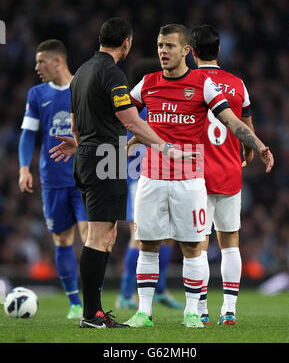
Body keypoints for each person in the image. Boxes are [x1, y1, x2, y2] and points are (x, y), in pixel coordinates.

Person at [49, 18, 196, 329]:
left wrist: (80, 144)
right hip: (107, 157)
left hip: (88, 156)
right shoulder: (111, 73)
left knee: (107, 235)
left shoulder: (80, 74)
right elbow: (131, 122)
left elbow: (76, 127)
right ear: (126, 43)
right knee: (99, 236)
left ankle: (94, 312)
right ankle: (92, 315)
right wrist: (167, 148)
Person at [124, 23, 273, 328]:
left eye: (169, 46)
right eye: (160, 46)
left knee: (193, 247)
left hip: (190, 179)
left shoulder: (202, 85)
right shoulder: (147, 83)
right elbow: (123, 113)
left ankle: (193, 312)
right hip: (152, 176)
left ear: (186, 51)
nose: (163, 51)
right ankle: (144, 313)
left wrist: (258, 145)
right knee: (147, 243)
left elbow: (231, 121)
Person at [190, 24, 256, 326]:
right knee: (230, 243)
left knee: (198, 245)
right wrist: (250, 149)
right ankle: (229, 310)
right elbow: (246, 129)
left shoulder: (188, 83)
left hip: (195, 174)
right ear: (219, 50)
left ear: (191, 52)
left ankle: (201, 309)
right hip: (230, 171)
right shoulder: (237, 84)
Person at [18, 39, 88, 319]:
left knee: (91, 237)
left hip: (83, 177)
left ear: (58, 61)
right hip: (53, 180)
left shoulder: (81, 89)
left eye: (41, 61)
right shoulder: (36, 94)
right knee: (61, 239)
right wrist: (25, 168)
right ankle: (74, 302)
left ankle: (92, 298)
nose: (37, 67)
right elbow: (27, 134)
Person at [116, 59, 184, 310]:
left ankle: (159, 290)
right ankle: (124, 294)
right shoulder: (142, 108)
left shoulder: (139, 106)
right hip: (142, 178)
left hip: (158, 176)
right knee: (142, 237)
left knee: (167, 237)